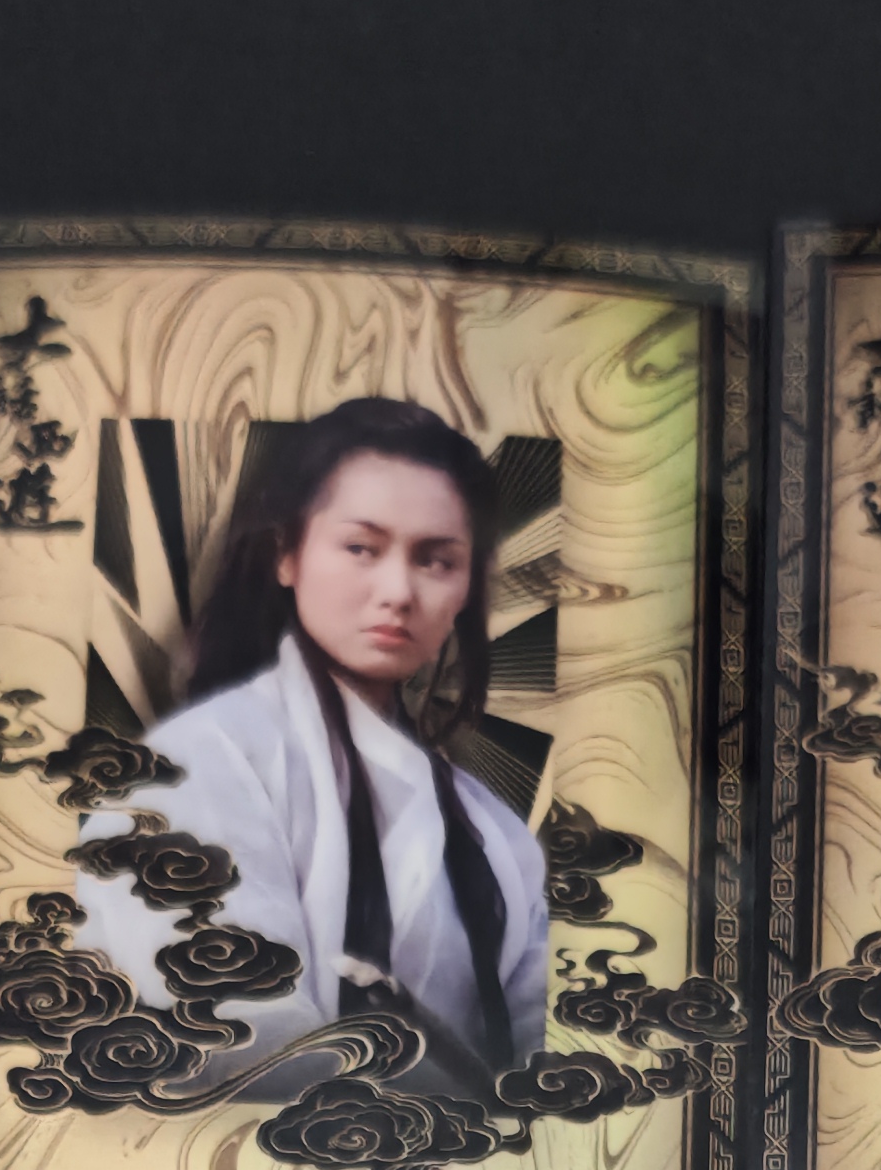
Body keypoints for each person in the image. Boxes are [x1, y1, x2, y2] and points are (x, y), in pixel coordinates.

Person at [66, 397, 551, 1095]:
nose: (398, 591)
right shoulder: (194, 764)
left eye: (436, 560)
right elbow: (238, 1043)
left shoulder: (500, 841)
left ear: (467, 588)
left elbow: (534, 1071)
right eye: (361, 548)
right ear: (287, 554)